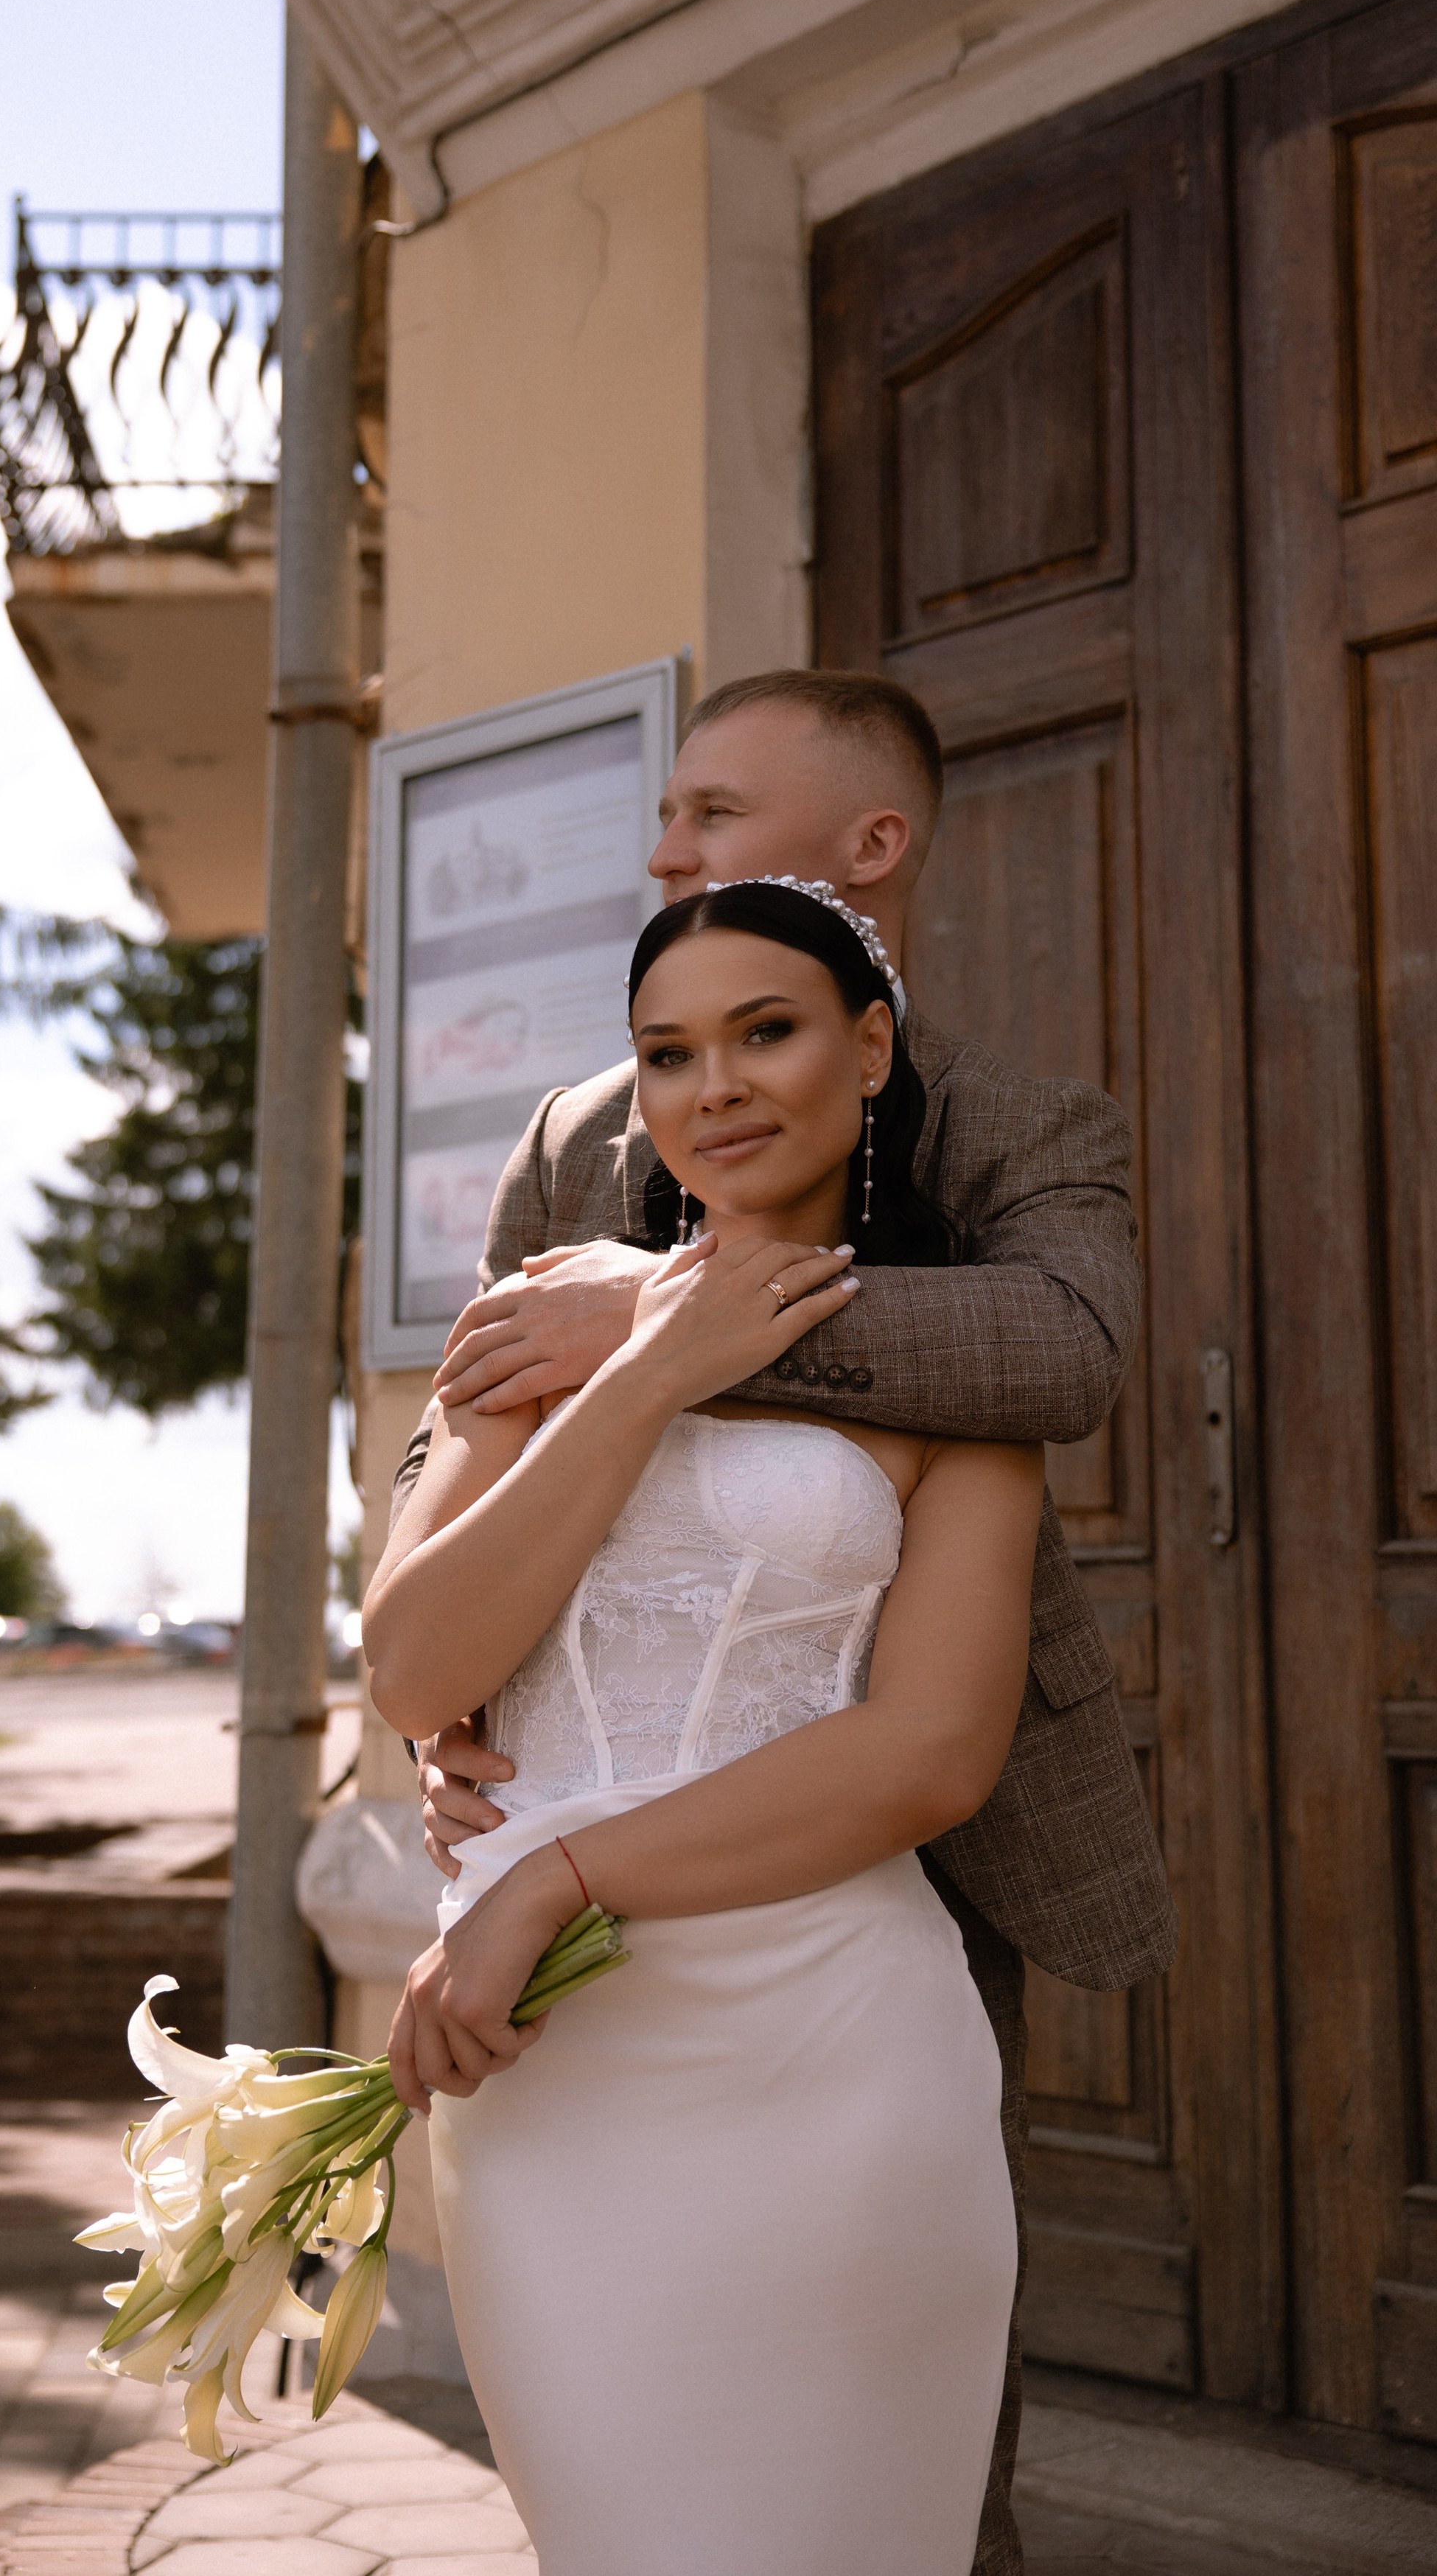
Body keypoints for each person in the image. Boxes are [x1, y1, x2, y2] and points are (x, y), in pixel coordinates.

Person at [396, 669, 1176, 2576]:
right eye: (675, 1048)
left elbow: (1058, 1351)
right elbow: (452, 1491)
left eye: (715, 814)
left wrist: (694, 1334)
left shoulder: (1020, 1121)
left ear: (871, 867)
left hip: (871, 1866)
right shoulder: (579, 1139)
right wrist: (443, 1735)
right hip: (552, 1958)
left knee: (886, 2457)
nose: (667, 847)